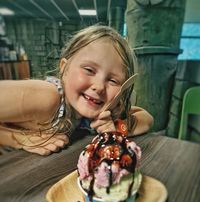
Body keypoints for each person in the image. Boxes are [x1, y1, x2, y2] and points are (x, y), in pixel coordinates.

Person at [0, 25, 153, 156]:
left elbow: (146, 118)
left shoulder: (101, 110)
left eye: (113, 80)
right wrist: (18, 138)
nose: (99, 86)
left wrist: (117, 128)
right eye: (89, 70)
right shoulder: (47, 97)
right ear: (64, 68)